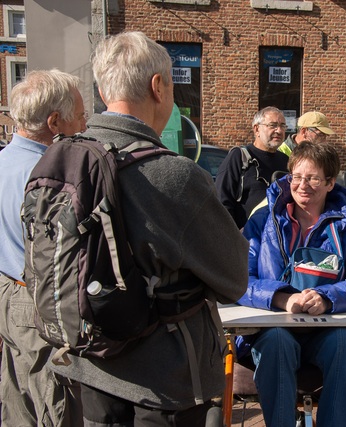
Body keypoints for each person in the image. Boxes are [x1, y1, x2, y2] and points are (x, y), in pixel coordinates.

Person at [47, 31, 249, 426]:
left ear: (105, 92)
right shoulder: (173, 176)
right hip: (160, 379)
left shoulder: (59, 160)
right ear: (159, 86)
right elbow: (234, 277)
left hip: (84, 363)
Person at [237, 141, 346, 427]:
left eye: (313, 178)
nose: (303, 185)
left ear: (330, 183)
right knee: (276, 341)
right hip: (271, 330)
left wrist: (327, 298)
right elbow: (238, 278)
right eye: (297, 177)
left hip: (328, 330)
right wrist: (281, 298)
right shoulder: (263, 222)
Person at [0, 69, 86, 426]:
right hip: (36, 303)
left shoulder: (5, 161)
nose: (84, 125)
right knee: (54, 406)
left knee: (18, 402)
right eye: (80, 116)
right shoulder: (46, 175)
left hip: (8, 294)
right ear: (54, 122)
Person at [215, 106, 290, 228]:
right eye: (273, 125)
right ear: (256, 129)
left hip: (276, 241)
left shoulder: (286, 161)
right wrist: (235, 235)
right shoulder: (239, 157)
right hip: (245, 241)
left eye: (282, 126)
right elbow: (221, 201)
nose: (279, 130)